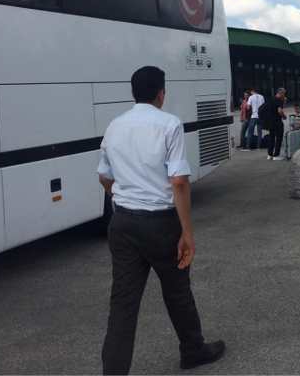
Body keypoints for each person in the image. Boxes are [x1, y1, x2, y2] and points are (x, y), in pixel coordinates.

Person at [98, 66, 225, 374]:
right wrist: (187, 233)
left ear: (134, 93)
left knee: (123, 304)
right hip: (160, 224)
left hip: (124, 223)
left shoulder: (115, 126)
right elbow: (179, 182)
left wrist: (125, 195)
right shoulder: (168, 124)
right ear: (161, 93)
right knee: (177, 290)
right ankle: (193, 350)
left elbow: (104, 176)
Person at [266, 88, 287, 160]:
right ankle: (276, 155)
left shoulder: (271, 99)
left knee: (271, 138)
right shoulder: (279, 100)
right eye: (284, 94)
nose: (284, 95)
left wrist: (284, 102)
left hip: (270, 121)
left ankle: (270, 154)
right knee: (279, 138)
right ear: (280, 93)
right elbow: (280, 111)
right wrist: (284, 117)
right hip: (277, 122)